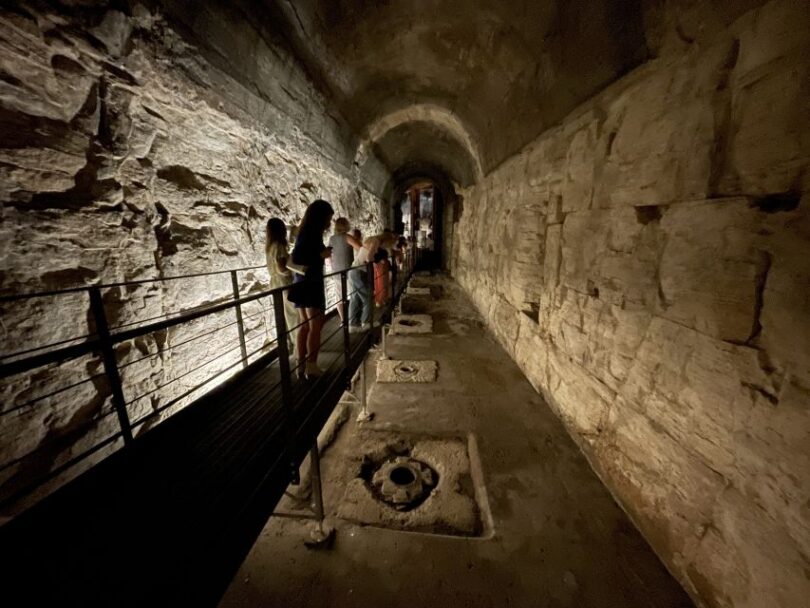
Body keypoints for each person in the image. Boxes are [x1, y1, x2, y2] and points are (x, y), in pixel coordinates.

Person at [288, 199, 334, 378]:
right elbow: (301, 257)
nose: (329, 223)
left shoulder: (304, 232)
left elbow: (301, 255)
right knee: (315, 325)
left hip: (301, 283)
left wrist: (320, 255)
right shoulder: (311, 233)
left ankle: (301, 366)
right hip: (310, 284)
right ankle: (312, 365)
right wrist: (321, 255)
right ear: (320, 217)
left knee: (305, 326)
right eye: (328, 219)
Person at [265, 218, 297, 352]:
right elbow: (282, 267)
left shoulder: (270, 246)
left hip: (275, 284)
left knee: (282, 316)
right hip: (284, 283)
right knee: (292, 315)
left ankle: (287, 346)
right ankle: (297, 345)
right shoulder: (279, 245)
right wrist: (293, 270)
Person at [327, 217, 360, 323]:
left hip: (336, 271)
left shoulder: (332, 239)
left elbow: (328, 255)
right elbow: (360, 248)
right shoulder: (347, 237)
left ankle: (343, 320)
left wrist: (332, 264)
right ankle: (353, 319)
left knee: (340, 298)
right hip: (348, 271)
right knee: (355, 294)